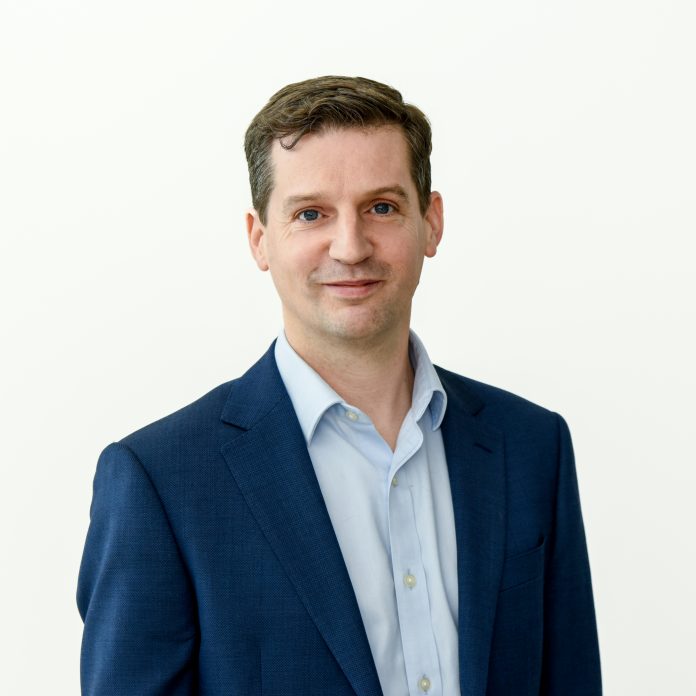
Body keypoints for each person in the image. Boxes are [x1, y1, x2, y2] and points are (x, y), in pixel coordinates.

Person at [77, 75, 602, 696]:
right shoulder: (161, 481)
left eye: (382, 207)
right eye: (311, 214)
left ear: (431, 223)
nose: (350, 248)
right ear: (260, 240)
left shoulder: (532, 446)